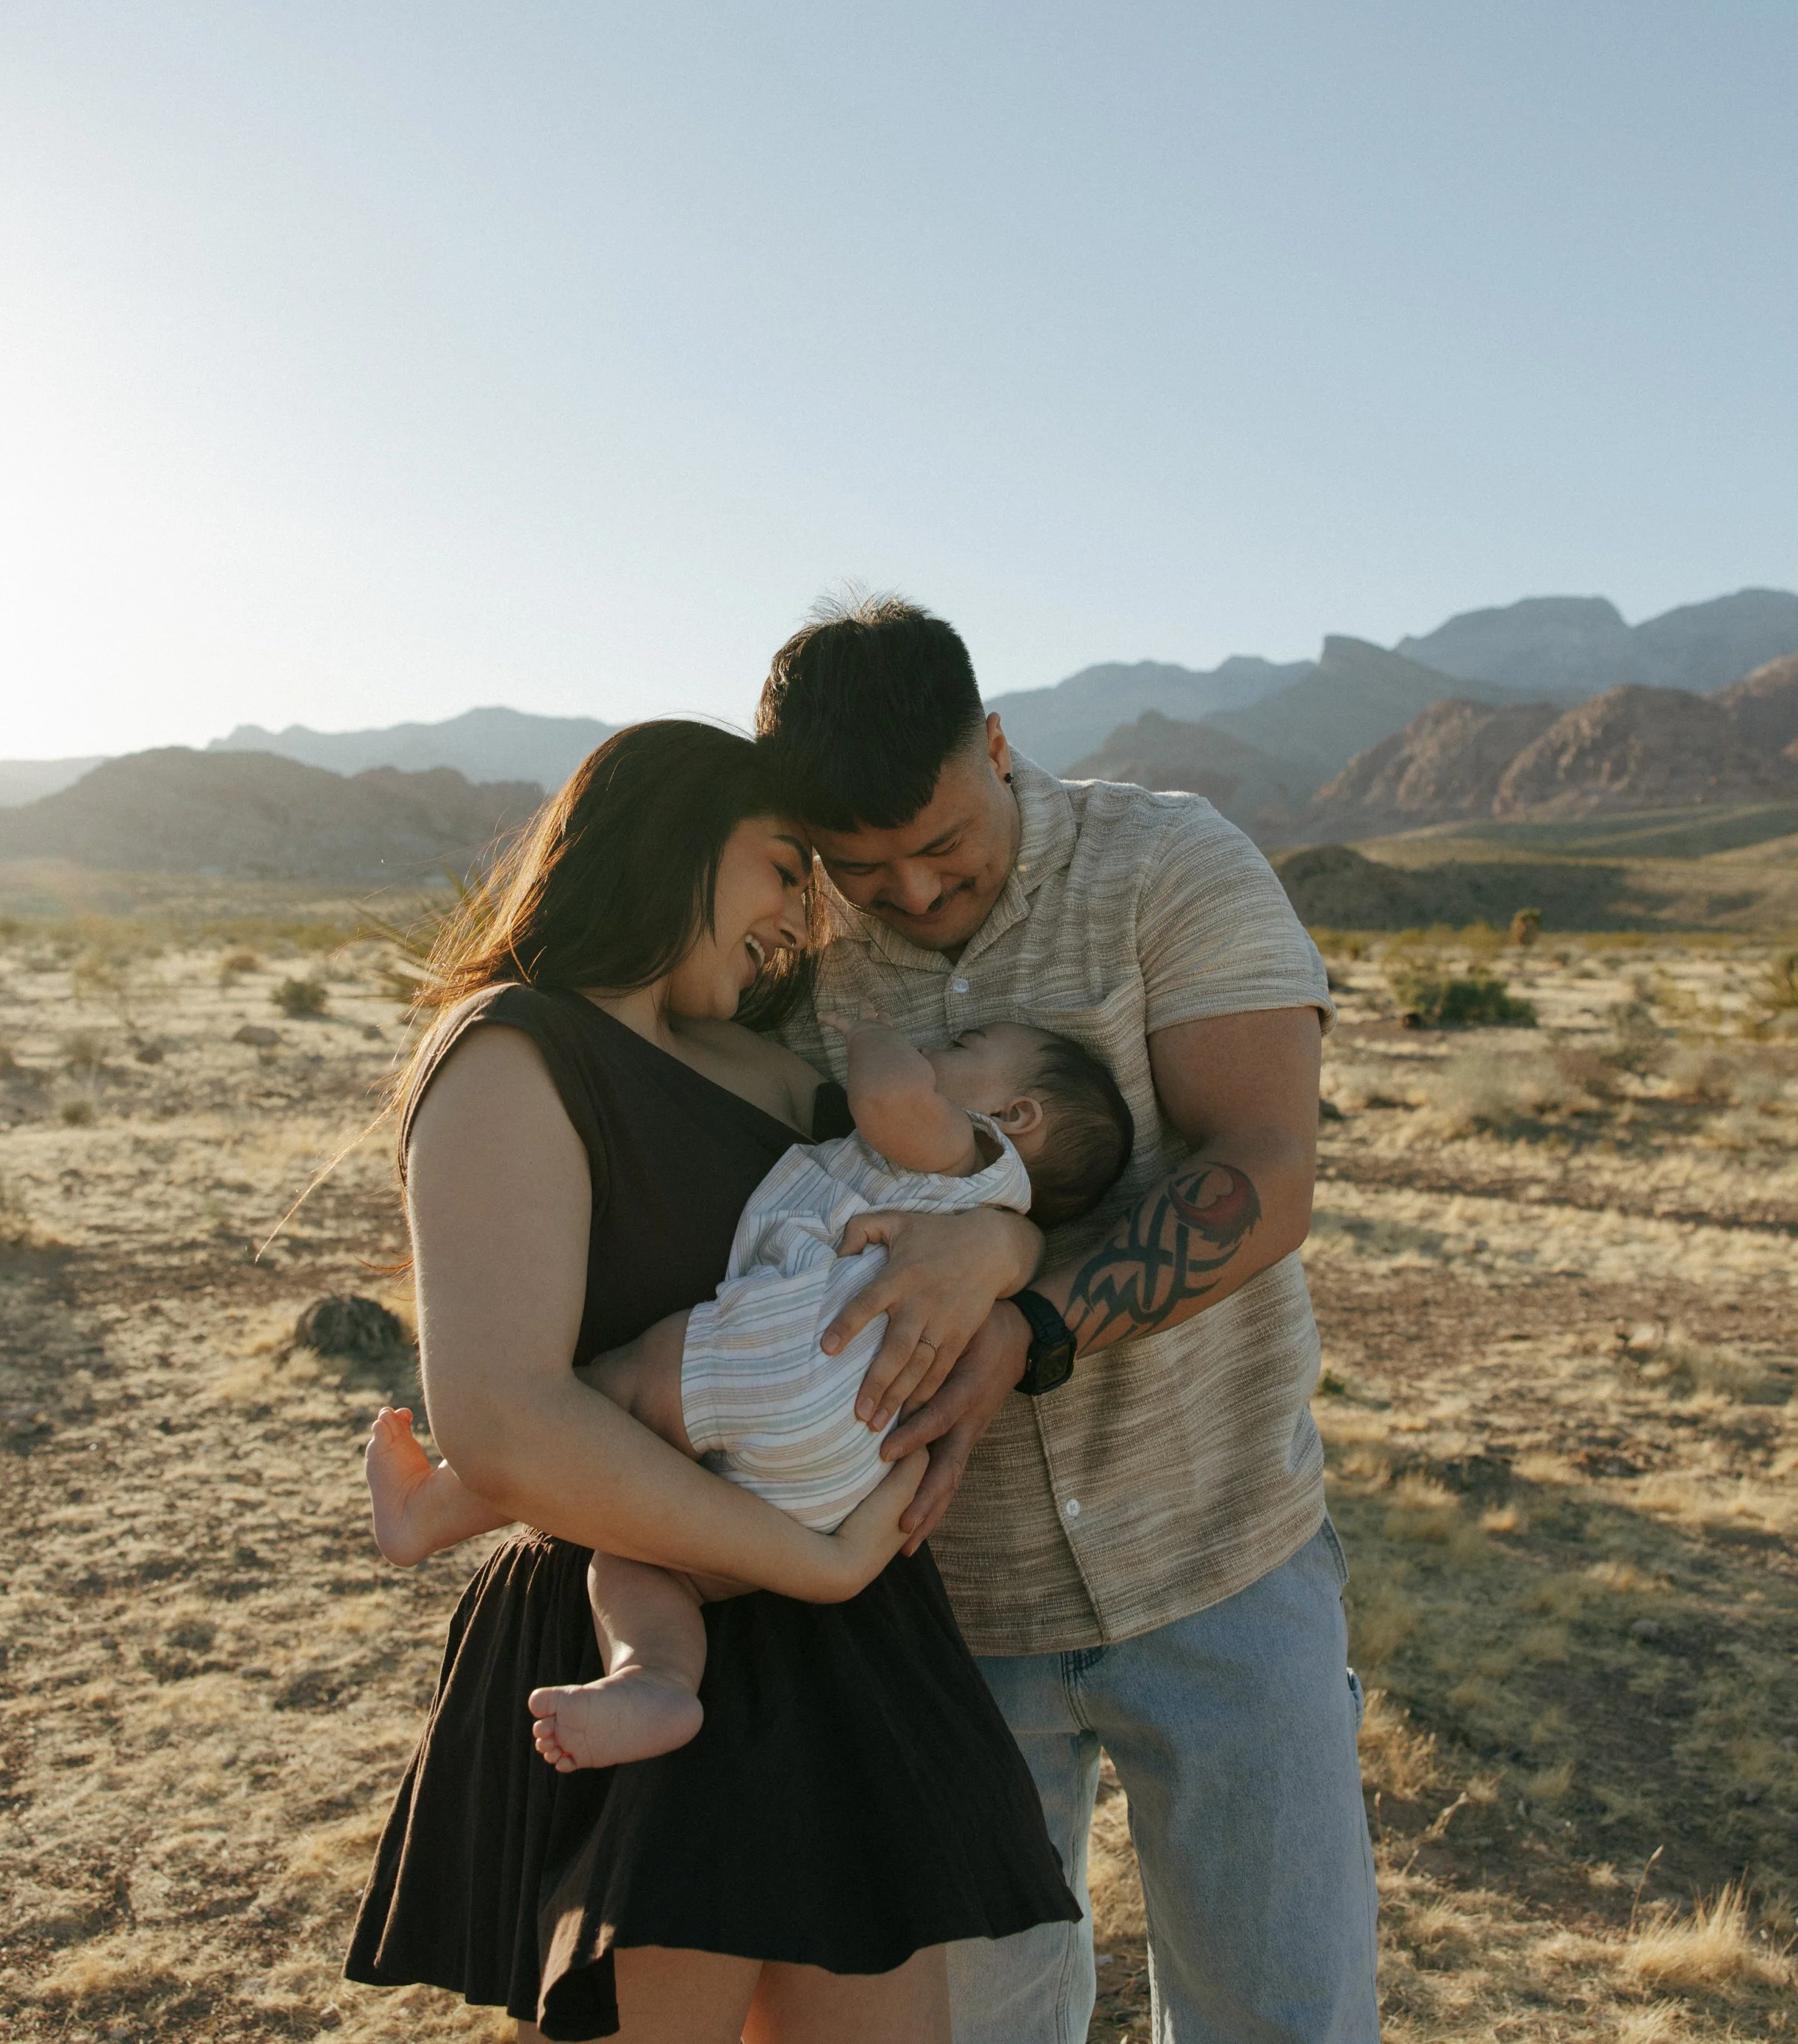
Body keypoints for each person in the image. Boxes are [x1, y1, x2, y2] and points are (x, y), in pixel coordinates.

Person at [343, 720, 1076, 2044]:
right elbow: (504, 1418)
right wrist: (815, 1564)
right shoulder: (513, 1050)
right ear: (674, 836)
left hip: (850, 1652)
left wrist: (1002, 1241)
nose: (802, 917)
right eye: (781, 867)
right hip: (648, 1627)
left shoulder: (765, 1067)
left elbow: (930, 1188)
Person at [755, 599, 1379, 2044]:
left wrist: (1017, 1305)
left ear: (993, 740)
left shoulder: (1168, 863)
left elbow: (1262, 1173)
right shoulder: (794, 951)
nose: (907, 891)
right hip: (941, 1610)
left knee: (1281, 2017)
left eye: (941, 843)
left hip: (1221, 1555)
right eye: (863, 865)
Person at [366, 1007, 1133, 1774]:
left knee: (610, 1394)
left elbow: (889, 1098)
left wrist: (872, 1036)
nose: (937, 1045)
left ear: (1015, 1116)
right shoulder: (986, 1212)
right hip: (846, 1459)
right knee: (640, 1556)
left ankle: (428, 1510)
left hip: (805, 1356)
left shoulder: (968, 1147)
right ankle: (656, 1677)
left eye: (964, 1045)